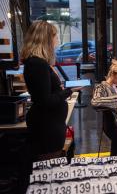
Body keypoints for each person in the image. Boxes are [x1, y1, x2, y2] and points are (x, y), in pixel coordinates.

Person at [21, 21, 80, 160]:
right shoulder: (37, 64)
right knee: (47, 168)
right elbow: (45, 101)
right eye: (55, 36)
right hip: (46, 128)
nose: (57, 40)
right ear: (46, 39)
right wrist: (68, 91)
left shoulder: (38, 63)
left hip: (50, 125)